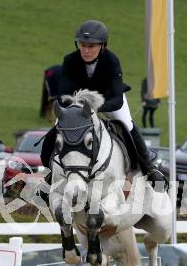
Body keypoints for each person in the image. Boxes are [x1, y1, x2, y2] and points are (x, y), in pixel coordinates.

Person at [41, 20, 166, 190]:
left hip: (108, 101)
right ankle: (49, 171)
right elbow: (63, 95)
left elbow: (117, 100)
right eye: (82, 45)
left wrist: (96, 108)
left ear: (102, 46)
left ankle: (149, 167)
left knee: (127, 125)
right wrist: (77, 108)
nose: (85, 50)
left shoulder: (111, 60)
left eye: (91, 46)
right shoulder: (70, 60)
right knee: (58, 127)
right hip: (79, 102)